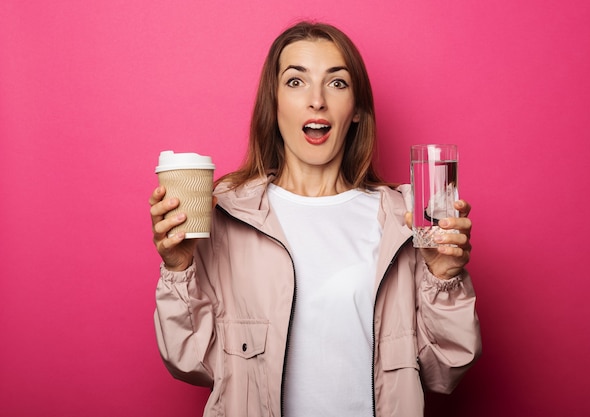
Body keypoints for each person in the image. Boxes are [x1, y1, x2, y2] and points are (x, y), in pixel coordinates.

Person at [149, 21, 481, 417]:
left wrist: (445, 278)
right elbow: (190, 361)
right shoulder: (226, 215)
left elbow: (445, 370)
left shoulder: (405, 220)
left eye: (337, 83)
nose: (317, 100)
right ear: (273, 105)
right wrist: (178, 268)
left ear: (357, 110)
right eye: (295, 82)